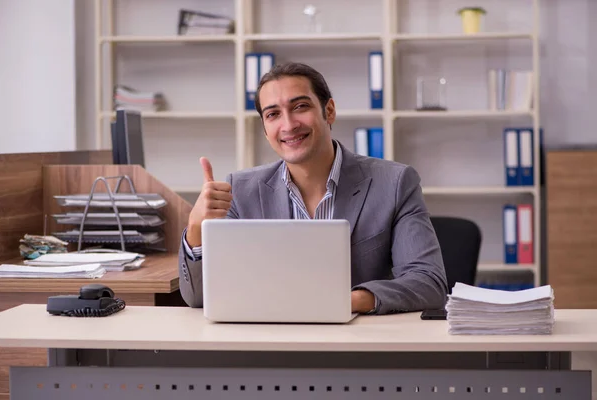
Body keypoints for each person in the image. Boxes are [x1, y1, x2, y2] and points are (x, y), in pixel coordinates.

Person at [178, 62, 448, 315]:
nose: (289, 125)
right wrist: (196, 229)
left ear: (328, 111)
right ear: (265, 128)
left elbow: (428, 283)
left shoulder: (395, 183)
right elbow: (199, 298)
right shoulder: (241, 190)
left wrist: (344, 302)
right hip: (270, 346)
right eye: (273, 114)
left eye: (300, 107)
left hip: (360, 346)